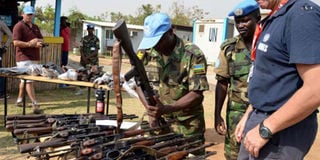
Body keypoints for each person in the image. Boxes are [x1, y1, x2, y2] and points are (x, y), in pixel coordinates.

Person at [235, 0, 320, 159]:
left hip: (281, 129)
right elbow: (268, 79)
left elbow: (316, 88)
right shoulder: (276, 17)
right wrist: (250, 115)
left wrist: (266, 128)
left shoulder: (302, 15)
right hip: (261, 118)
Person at [136, 13, 209, 155]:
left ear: (171, 31)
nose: (155, 46)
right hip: (158, 126)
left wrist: (167, 109)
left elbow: (197, 94)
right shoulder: (144, 52)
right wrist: (150, 110)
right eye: (152, 41)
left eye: (159, 40)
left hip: (187, 128)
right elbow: (138, 83)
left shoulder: (193, 55)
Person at [213, 0, 261, 159]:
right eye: (238, 21)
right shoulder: (229, 47)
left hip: (263, 113)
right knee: (234, 155)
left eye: (245, 20)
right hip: (236, 114)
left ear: (258, 18)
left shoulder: (268, 45)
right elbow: (222, 83)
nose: (241, 25)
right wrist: (217, 114)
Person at [13, 6, 45, 114]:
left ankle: (19, 100)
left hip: (34, 56)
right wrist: (29, 44)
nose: (29, 16)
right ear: (22, 14)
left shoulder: (35, 26)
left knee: (24, 79)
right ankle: (34, 103)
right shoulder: (18, 26)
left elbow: (41, 39)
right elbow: (16, 42)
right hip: (23, 57)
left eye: (31, 14)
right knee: (29, 80)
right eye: (28, 14)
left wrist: (37, 41)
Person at [75, 24, 100, 95]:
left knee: (94, 75)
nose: (90, 30)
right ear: (87, 30)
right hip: (84, 60)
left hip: (93, 60)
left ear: (93, 30)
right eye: (89, 29)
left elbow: (96, 51)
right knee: (82, 74)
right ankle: (81, 90)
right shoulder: (83, 39)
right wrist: (83, 58)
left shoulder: (96, 39)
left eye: (92, 29)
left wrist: (87, 58)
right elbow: (81, 49)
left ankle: (95, 90)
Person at [0, 20, 12, 99]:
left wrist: (5, 47)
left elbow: (11, 35)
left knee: (0, 71)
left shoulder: (0, 22)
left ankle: (1, 93)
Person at [59, 16, 70, 88]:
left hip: (65, 49)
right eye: (63, 21)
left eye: (65, 21)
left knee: (64, 65)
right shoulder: (59, 29)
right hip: (60, 49)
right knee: (61, 65)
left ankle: (65, 81)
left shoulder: (66, 28)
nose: (64, 22)